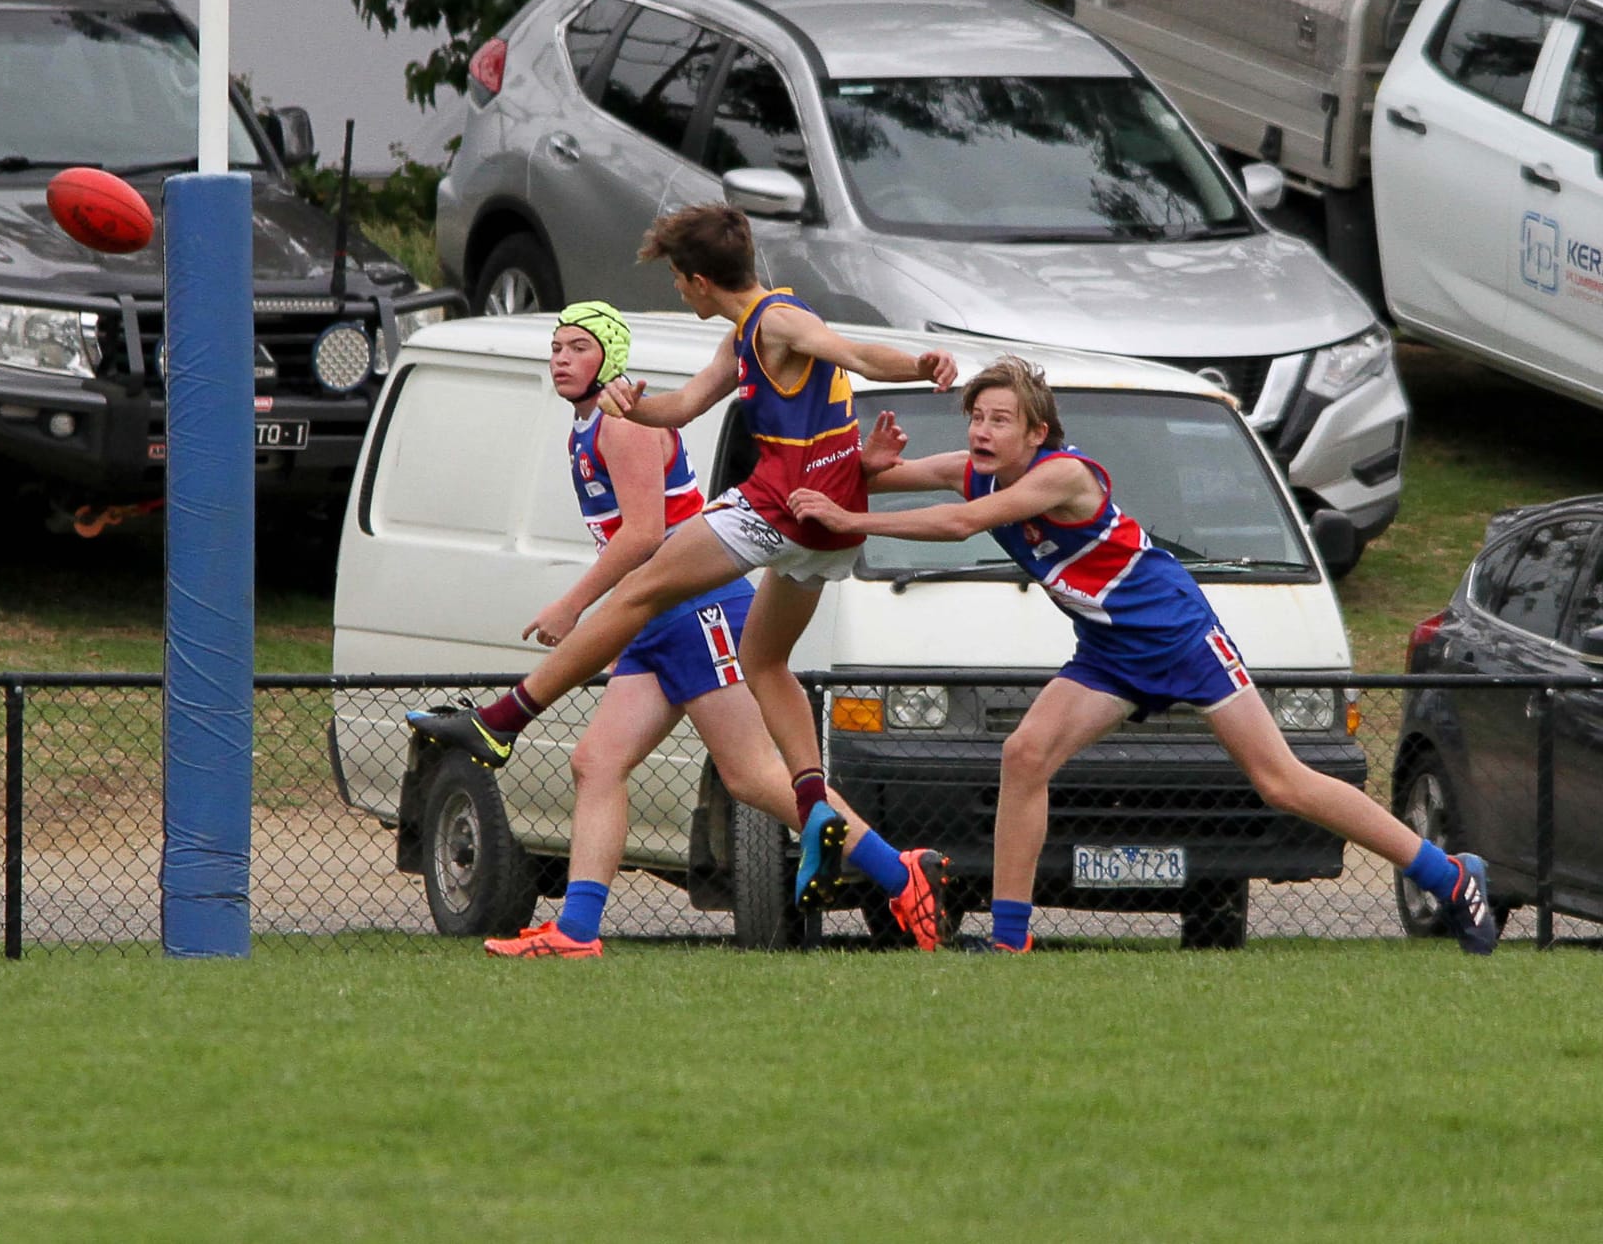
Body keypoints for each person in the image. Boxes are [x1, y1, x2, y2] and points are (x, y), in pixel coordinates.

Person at [787, 354, 1501, 956]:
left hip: (1177, 637)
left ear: (1037, 432)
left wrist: (851, 517)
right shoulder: (973, 468)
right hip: (1108, 652)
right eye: (976, 417)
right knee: (1024, 755)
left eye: (1000, 420)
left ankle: (1448, 875)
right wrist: (865, 466)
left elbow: (962, 523)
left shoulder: (1063, 476)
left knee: (1281, 781)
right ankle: (1009, 941)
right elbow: (888, 478)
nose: (981, 430)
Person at [410, 204, 959, 920]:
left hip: (774, 518)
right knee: (622, 749)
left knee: (641, 599)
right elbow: (687, 405)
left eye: (677, 281)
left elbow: (849, 352)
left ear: (699, 281)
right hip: (821, 525)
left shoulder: (777, 321)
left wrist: (921, 364)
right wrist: (637, 406)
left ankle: (503, 720)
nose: (677, 292)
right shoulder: (736, 345)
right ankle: (582, 927)